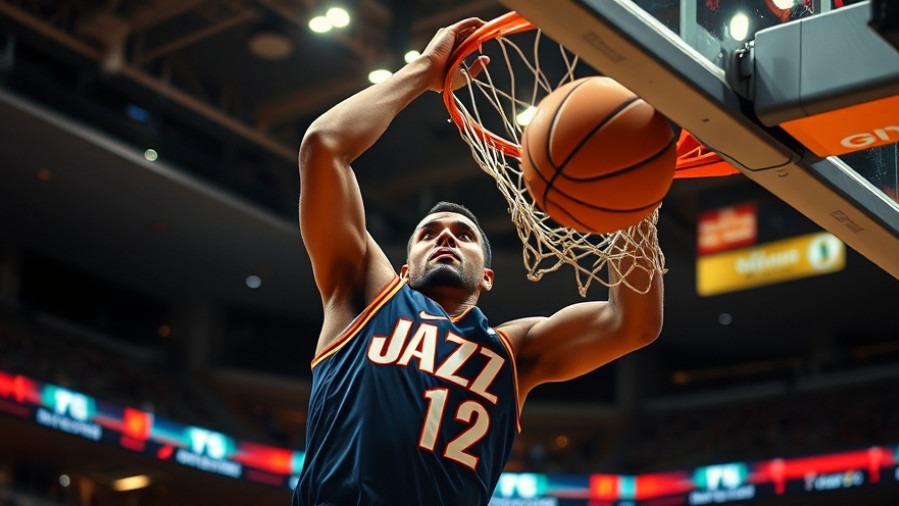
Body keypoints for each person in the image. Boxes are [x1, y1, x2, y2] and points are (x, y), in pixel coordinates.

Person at [293, 17, 663, 506]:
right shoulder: (366, 296)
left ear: (487, 277)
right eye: (428, 233)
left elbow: (631, 324)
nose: (445, 237)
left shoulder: (512, 351)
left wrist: (635, 197)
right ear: (403, 269)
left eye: (463, 235)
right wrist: (425, 71)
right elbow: (324, 147)